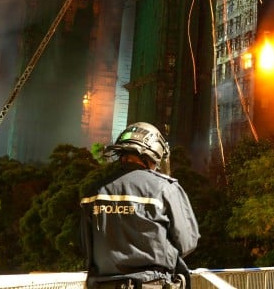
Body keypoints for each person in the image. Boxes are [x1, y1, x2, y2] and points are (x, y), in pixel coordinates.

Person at [80, 121, 200, 289]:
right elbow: (187, 243)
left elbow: (85, 246)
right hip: (151, 284)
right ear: (154, 154)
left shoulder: (93, 193)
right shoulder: (166, 189)